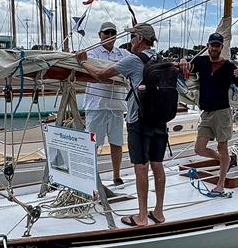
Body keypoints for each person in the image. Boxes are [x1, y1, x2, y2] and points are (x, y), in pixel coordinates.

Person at [76, 23, 183, 227]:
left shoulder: (133, 60)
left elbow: (99, 75)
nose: (131, 41)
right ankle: (158, 213)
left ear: (140, 39)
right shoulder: (162, 60)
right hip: (160, 120)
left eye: (133, 37)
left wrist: (82, 63)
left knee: (140, 167)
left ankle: (142, 216)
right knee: (157, 165)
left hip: (138, 120)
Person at [181, 32, 238, 194]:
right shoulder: (200, 61)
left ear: (221, 47)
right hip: (206, 112)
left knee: (222, 146)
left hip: (222, 112)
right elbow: (188, 68)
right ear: (208, 46)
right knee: (199, 149)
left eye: (217, 45)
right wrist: (183, 61)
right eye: (212, 45)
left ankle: (220, 184)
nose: (214, 48)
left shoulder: (229, 67)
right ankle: (224, 160)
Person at [83, 21, 131, 186]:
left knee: (116, 142)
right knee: (93, 144)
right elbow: (96, 72)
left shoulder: (123, 53)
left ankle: (116, 176)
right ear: (100, 35)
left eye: (112, 33)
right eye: (106, 33)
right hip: (96, 106)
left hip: (117, 106)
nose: (110, 36)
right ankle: (91, 177)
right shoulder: (92, 53)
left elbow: (133, 65)